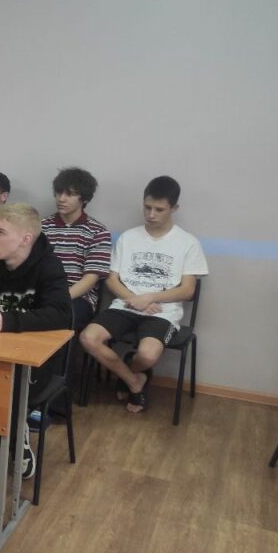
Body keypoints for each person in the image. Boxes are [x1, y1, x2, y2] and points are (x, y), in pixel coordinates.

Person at [0, 203, 72, 478]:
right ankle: (10, 434)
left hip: (34, 361)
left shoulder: (49, 266)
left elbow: (61, 314)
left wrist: (6, 321)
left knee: (8, 384)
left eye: (0, 232)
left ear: (25, 239)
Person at [79, 176, 208, 412]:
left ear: (174, 208)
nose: (151, 214)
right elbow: (111, 278)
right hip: (124, 306)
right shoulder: (128, 237)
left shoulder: (188, 243)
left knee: (147, 356)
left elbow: (187, 290)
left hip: (162, 312)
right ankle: (134, 381)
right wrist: (133, 299)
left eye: (159, 209)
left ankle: (129, 371)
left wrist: (149, 298)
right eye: (147, 207)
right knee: (88, 338)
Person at [41, 167, 111, 329]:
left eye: (70, 194)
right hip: (43, 291)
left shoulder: (98, 231)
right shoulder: (42, 227)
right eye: (59, 192)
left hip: (78, 297)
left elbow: (90, 279)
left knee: (58, 317)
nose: (61, 199)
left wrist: (60, 297)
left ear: (84, 198)